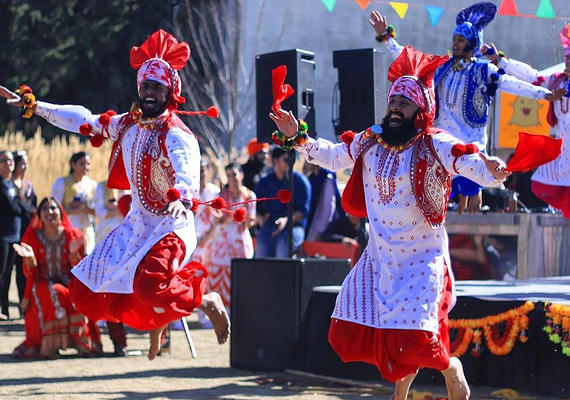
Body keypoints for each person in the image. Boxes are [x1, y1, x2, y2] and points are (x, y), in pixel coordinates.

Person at [270, 44, 511, 400]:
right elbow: (333, 156)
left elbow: (467, 160)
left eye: (405, 103)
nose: (396, 108)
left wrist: (489, 170)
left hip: (421, 257)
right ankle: (400, 395)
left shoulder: (434, 143)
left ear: (422, 110)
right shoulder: (370, 140)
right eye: (393, 102)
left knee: (414, 337)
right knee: (349, 332)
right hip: (381, 257)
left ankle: (451, 368)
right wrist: (297, 137)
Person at [0, 29, 230, 360]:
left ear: (170, 91)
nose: (150, 92)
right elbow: (85, 120)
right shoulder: (127, 125)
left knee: (150, 286)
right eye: (145, 86)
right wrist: (36, 107)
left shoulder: (179, 135)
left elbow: (185, 172)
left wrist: (181, 193)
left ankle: (206, 300)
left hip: (171, 226)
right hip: (137, 225)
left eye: (157, 87)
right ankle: (156, 322)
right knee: (84, 291)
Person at [370, 2, 562, 214]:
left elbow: (511, 84)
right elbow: (408, 59)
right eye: (454, 39)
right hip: (443, 145)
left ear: (471, 43)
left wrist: (543, 94)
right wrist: (387, 38)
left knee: (472, 206)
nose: (455, 44)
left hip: (472, 147)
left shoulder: (484, 69)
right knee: (442, 206)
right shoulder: (441, 67)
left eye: (460, 40)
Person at [481, 25, 570, 222]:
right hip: (563, 154)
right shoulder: (557, 82)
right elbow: (532, 76)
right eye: (567, 58)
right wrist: (500, 60)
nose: (568, 62)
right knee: (541, 186)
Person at [12, 197, 102, 358]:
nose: (49, 212)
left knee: (76, 295)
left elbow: (79, 270)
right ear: (39, 215)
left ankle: (82, 343)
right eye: (45, 209)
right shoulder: (33, 236)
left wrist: (75, 254)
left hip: (70, 281)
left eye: (53, 208)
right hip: (42, 281)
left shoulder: (72, 234)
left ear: (60, 213)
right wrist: (30, 259)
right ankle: (50, 347)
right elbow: (31, 273)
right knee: (55, 292)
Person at [196, 162, 256, 311]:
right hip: (221, 243)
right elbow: (216, 218)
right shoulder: (222, 195)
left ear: (241, 175)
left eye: (234, 175)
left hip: (239, 241)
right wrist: (219, 214)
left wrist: (247, 220)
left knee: (240, 278)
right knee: (217, 276)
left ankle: (240, 311)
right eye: (228, 176)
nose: (232, 179)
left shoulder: (249, 195)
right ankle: (216, 311)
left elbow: (250, 221)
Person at [93, 180, 129, 356]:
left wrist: (114, 208)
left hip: (133, 245)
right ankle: (119, 342)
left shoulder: (137, 182)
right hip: (107, 247)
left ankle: (160, 340)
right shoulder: (101, 187)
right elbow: (100, 212)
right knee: (111, 292)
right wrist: (120, 208)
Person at [254, 147, 311, 258]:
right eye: (286, 159)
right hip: (269, 227)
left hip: (293, 227)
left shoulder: (300, 181)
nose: (290, 163)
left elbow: (303, 212)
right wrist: (258, 218)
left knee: (282, 248)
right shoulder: (264, 182)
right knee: (261, 251)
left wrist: (286, 220)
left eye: (291, 159)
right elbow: (252, 205)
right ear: (275, 161)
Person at [51, 151, 97, 254]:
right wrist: (74, 209)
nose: (85, 166)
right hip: (69, 228)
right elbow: (54, 209)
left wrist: (86, 208)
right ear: (73, 164)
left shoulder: (92, 184)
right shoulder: (61, 183)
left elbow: (98, 211)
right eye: (82, 164)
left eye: (88, 164)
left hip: (87, 230)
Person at [11, 150, 37, 309]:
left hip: (26, 230)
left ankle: (23, 301)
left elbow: (34, 205)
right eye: (21, 163)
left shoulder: (28, 185)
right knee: (7, 270)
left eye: (26, 163)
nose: (24, 167)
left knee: (23, 269)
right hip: (12, 229)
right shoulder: (8, 184)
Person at [0, 150, 23, 320]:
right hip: (3, 235)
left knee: (9, 275)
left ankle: (5, 309)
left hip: (15, 235)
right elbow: (13, 207)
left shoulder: (11, 185)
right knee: (1, 274)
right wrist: (23, 207)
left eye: (10, 160)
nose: (8, 163)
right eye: (3, 161)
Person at [303, 161, 343, 242]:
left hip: (323, 227)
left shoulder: (327, 178)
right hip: (313, 223)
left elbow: (327, 208)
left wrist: (320, 231)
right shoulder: (312, 178)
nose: (305, 162)